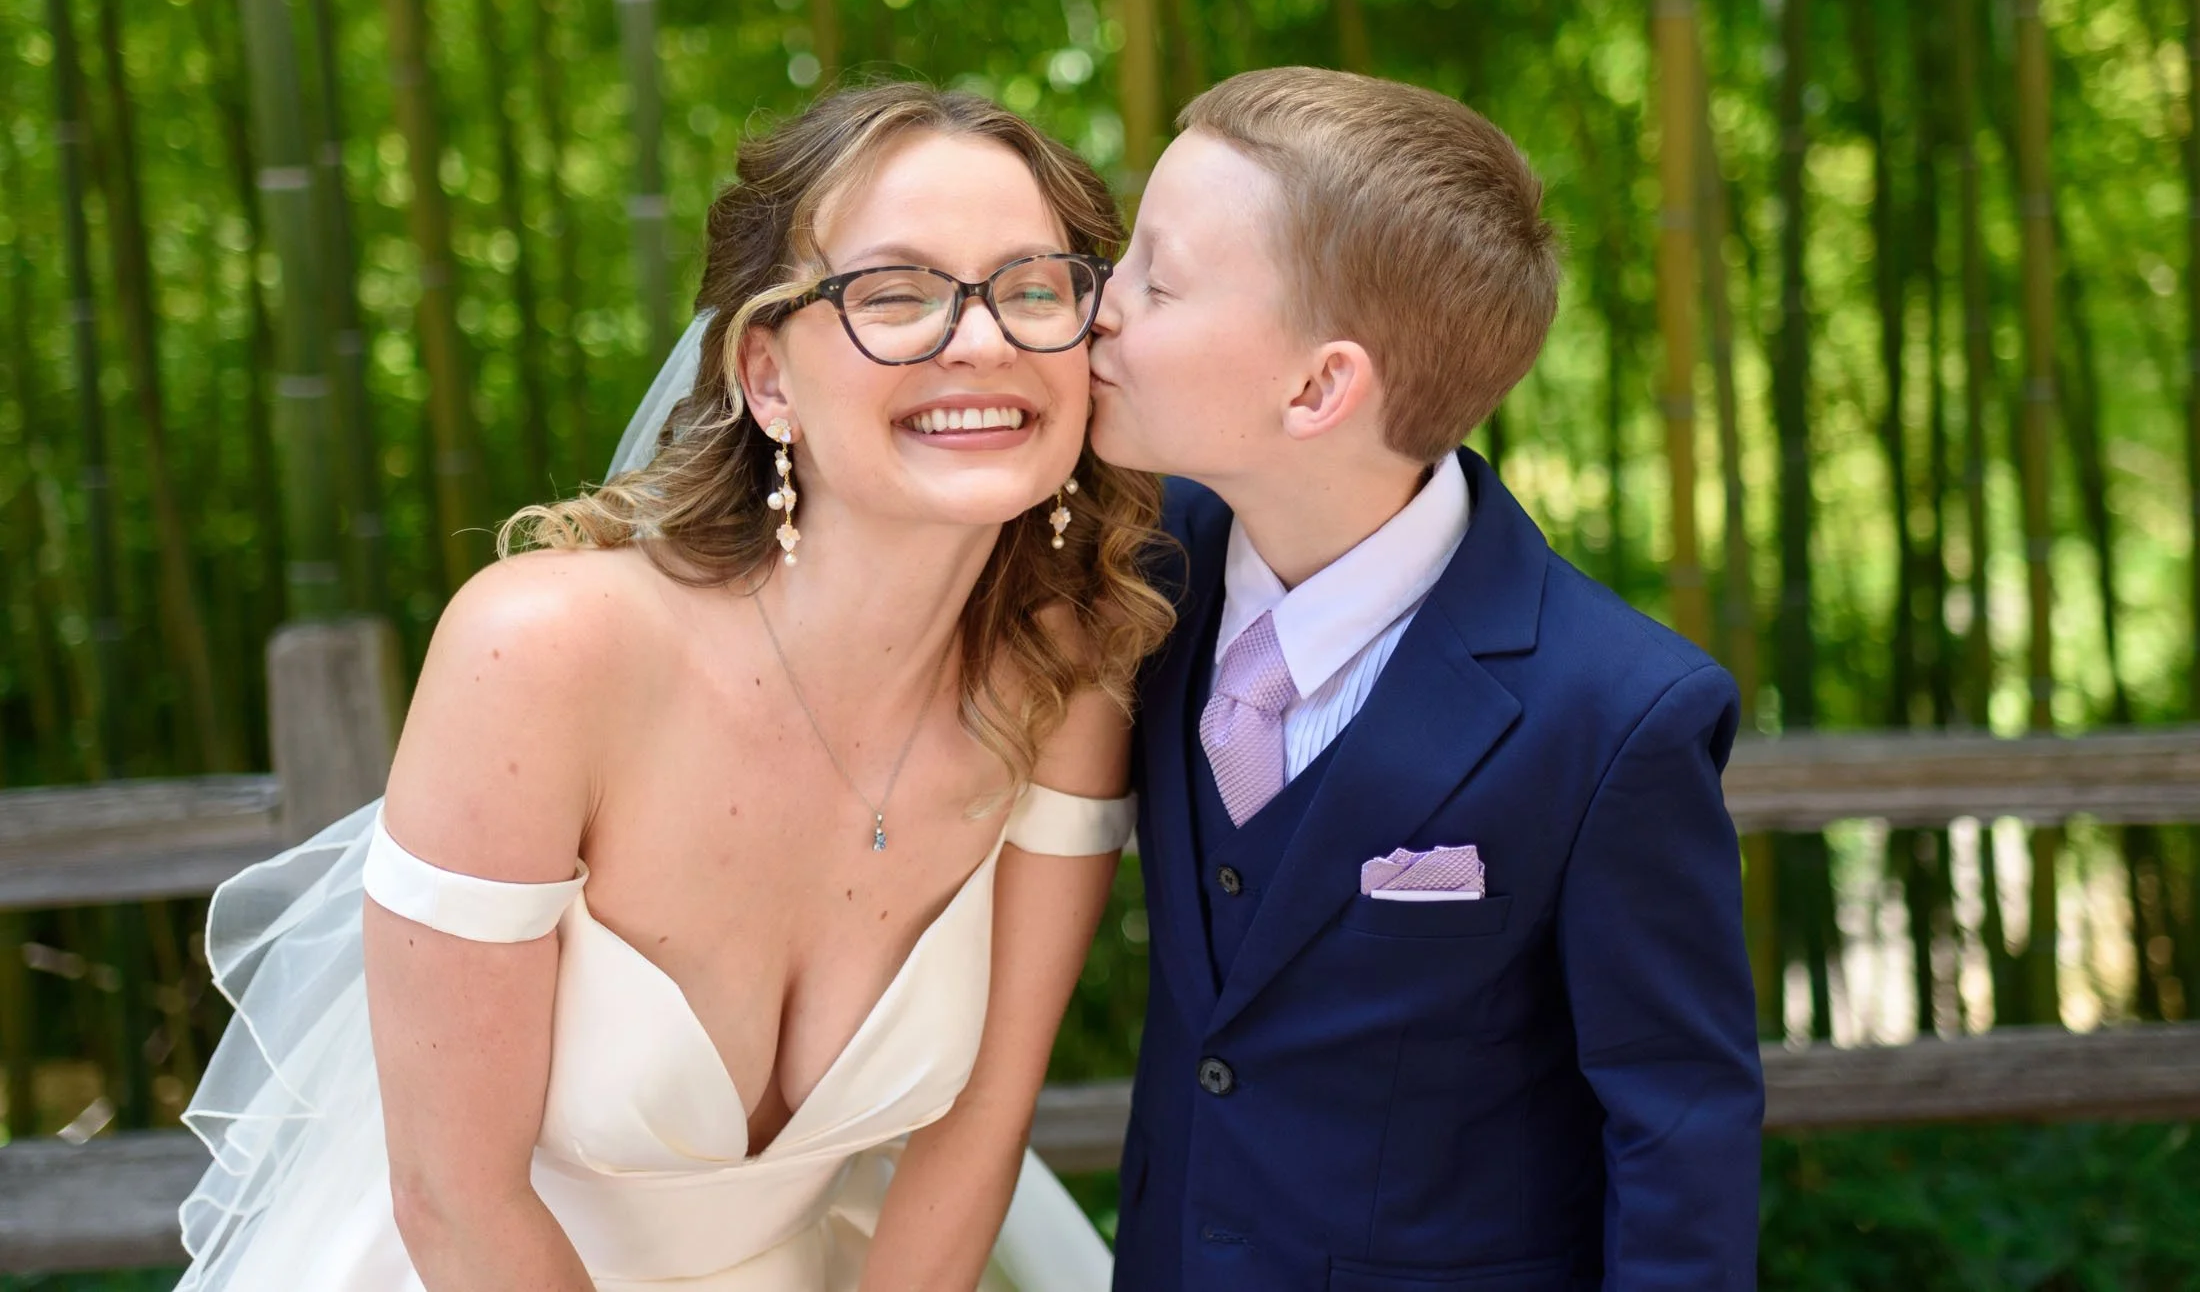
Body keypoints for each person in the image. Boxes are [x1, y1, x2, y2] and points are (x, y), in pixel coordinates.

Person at [175, 82, 1175, 1292]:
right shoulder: (544, 651)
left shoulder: (1068, 682)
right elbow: (454, 1195)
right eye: (895, 294)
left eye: (1031, 288)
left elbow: (978, 1133)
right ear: (767, 377)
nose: (982, 340)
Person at [1088, 66, 1764, 1291]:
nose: (1099, 305)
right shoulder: (1133, 571)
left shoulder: (1611, 713)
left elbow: (1678, 1135)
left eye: (1155, 277)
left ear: (1317, 387)